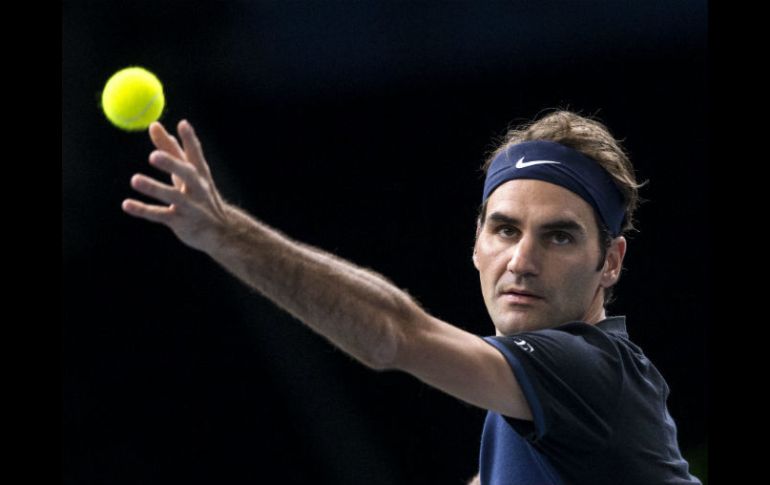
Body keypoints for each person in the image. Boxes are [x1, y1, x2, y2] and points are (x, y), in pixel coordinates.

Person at [122, 110, 701, 485]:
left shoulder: (589, 372)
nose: (521, 261)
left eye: (559, 237)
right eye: (505, 229)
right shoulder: (535, 401)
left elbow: (395, 333)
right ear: (476, 243)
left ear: (611, 262)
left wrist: (225, 233)